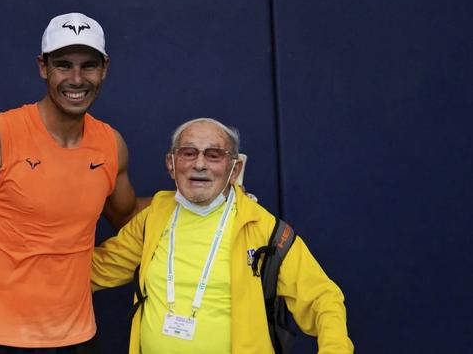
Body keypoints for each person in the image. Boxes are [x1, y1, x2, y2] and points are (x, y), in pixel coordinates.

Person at [0, 12, 147, 354]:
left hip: (78, 337)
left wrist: (196, 198)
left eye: (88, 65)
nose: (76, 79)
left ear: (104, 68)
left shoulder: (110, 145)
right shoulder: (0, 135)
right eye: (63, 65)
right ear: (43, 67)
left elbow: (128, 217)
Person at [91, 118, 354, 354]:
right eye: (188, 153)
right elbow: (96, 270)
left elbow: (322, 298)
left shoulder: (263, 230)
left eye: (214, 155)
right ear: (171, 164)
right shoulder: (154, 217)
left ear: (235, 169)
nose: (200, 164)